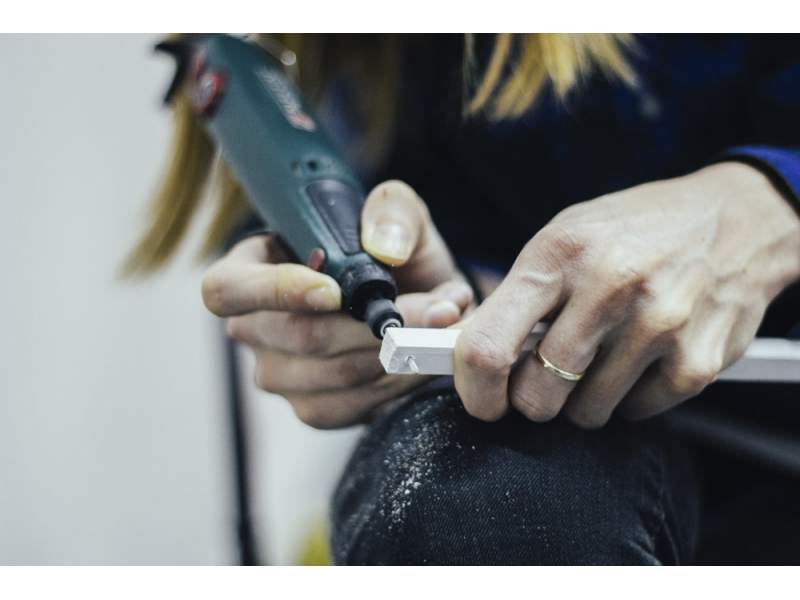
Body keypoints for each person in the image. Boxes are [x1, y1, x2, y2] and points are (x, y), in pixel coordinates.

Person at [127, 34, 800, 564]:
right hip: (580, 434)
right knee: (487, 508)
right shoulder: (317, 53)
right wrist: (445, 295)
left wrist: (762, 208)